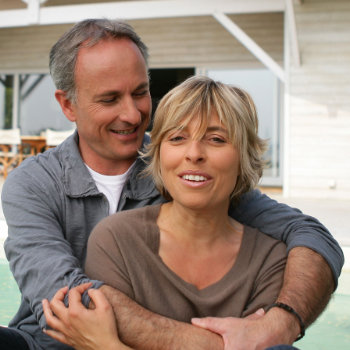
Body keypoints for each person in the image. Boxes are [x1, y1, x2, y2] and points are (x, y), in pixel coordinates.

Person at [0, 18, 343, 350]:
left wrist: (280, 323)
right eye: (109, 99)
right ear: (67, 104)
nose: (133, 114)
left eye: (140, 93)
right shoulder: (30, 185)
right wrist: (222, 345)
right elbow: (68, 301)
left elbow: (311, 236)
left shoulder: (184, 170)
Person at [43, 76, 298, 350]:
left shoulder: (270, 260)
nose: (194, 154)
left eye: (216, 139)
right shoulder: (117, 240)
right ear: (159, 154)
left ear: (244, 157)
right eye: (177, 138)